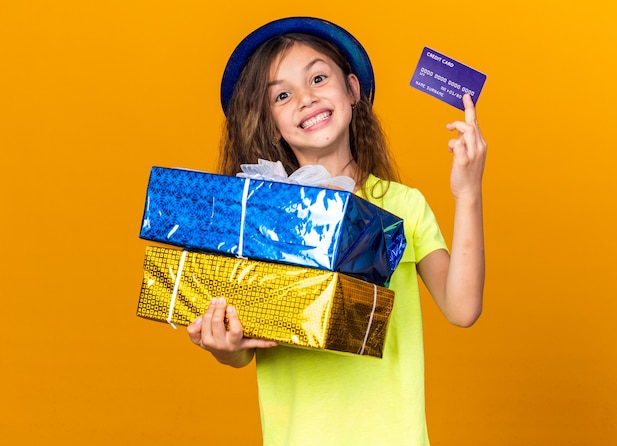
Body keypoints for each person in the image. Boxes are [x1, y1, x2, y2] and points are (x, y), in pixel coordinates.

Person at [187, 16, 486, 445]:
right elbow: (242, 348)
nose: (306, 99)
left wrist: (469, 190)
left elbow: (462, 309)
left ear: (351, 89)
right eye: (283, 95)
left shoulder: (403, 205)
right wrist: (223, 345)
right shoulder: (257, 216)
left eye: (319, 78)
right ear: (269, 123)